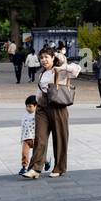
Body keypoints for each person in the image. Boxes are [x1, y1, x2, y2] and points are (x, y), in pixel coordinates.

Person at [22, 48, 80, 179]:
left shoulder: (61, 70)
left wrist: (61, 67)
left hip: (58, 107)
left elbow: (77, 69)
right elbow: (40, 91)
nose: (43, 60)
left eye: (46, 57)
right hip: (42, 108)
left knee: (59, 138)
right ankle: (35, 169)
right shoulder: (42, 73)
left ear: (53, 58)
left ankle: (59, 168)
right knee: (40, 138)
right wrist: (35, 105)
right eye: (41, 58)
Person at [18, 95, 52, 177]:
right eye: (27, 106)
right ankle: (24, 167)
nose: (28, 108)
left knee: (38, 153)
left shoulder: (38, 115)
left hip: (35, 138)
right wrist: (22, 138)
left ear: (36, 106)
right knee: (24, 153)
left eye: (30, 106)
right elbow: (23, 127)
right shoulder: (24, 116)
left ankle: (46, 161)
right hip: (26, 138)